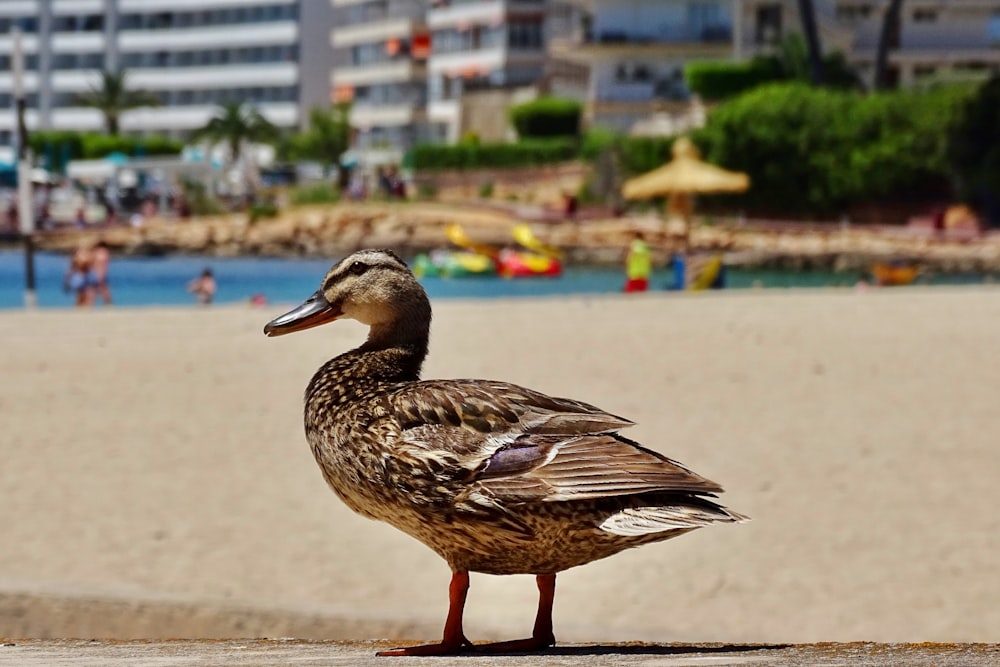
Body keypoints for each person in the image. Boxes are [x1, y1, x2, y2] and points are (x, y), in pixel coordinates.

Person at [91, 240, 112, 305]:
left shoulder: (98, 253)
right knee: (101, 293)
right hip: (99, 275)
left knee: (93, 293)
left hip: (97, 275)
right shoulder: (104, 253)